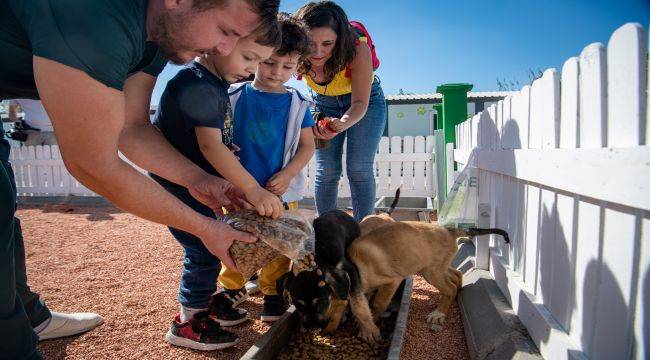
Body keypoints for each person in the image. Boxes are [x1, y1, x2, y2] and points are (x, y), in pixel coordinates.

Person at [0, 1, 279, 358]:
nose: (223, 49)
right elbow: (93, 164)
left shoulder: (163, 34)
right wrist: (204, 228)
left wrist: (199, 179)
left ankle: (27, 314)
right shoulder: (101, 15)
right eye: (225, 31)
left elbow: (132, 129)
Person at [152, 17, 284, 350]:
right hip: (179, 183)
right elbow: (209, 146)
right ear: (223, 43)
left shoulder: (214, 83)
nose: (252, 68)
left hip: (195, 180)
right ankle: (188, 323)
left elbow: (211, 139)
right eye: (249, 58)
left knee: (206, 245)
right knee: (201, 248)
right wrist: (254, 189)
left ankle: (198, 310)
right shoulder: (199, 84)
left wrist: (228, 149)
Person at [217, 13, 315, 322]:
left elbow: (307, 146)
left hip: (280, 189)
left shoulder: (299, 103)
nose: (277, 72)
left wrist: (287, 175)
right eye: (270, 62)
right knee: (236, 238)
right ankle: (231, 288)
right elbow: (218, 140)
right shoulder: (232, 96)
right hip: (238, 189)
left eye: (287, 66)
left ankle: (273, 291)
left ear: (298, 66)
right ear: (258, 57)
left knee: (280, 241)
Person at [294, 1, 387, 221]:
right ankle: (326, 228)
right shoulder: (293, 49)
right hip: (323, 104)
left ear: (340, 40)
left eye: (327, 43)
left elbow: (360, 103)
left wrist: (341, 124)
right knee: (326, 171)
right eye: (310, 43)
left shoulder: (356, 48)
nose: (317, 52)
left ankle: (363, 231)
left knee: (359, 169)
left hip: (365, 102)